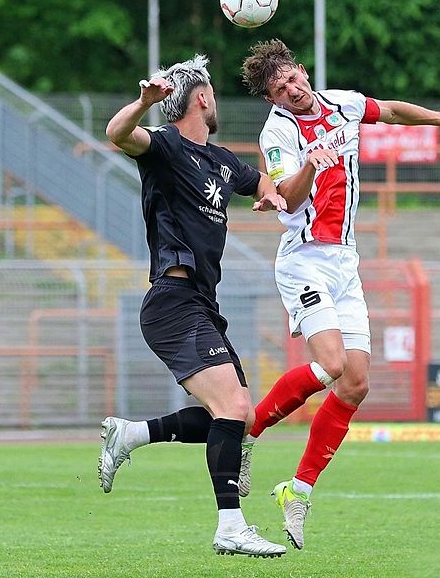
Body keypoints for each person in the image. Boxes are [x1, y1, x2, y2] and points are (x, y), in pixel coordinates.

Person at [238, 39, 440, 550]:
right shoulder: (277, 131)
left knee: (356, 383)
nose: (294, 91)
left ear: (303, 72)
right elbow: (289, 196)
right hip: (303, 258)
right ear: (271, 99)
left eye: (295, 79)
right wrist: (313, 164)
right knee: (330, 365)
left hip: (344, 261)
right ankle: (247, 435)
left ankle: (296, 492)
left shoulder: (340, 103)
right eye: (281, 89)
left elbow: (389, 110)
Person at [97, 54, 288, 558]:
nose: (216, 98)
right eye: (213, 91)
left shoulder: (223, 161)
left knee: (236, 419)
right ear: (201, 97)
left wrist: (270, 193)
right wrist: (144, 102)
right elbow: (117, 134)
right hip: (172, 300)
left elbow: (261, 182)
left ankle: (133, 434)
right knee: (234, 408)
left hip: (201, 304)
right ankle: (230, 525)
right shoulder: (165, 147)